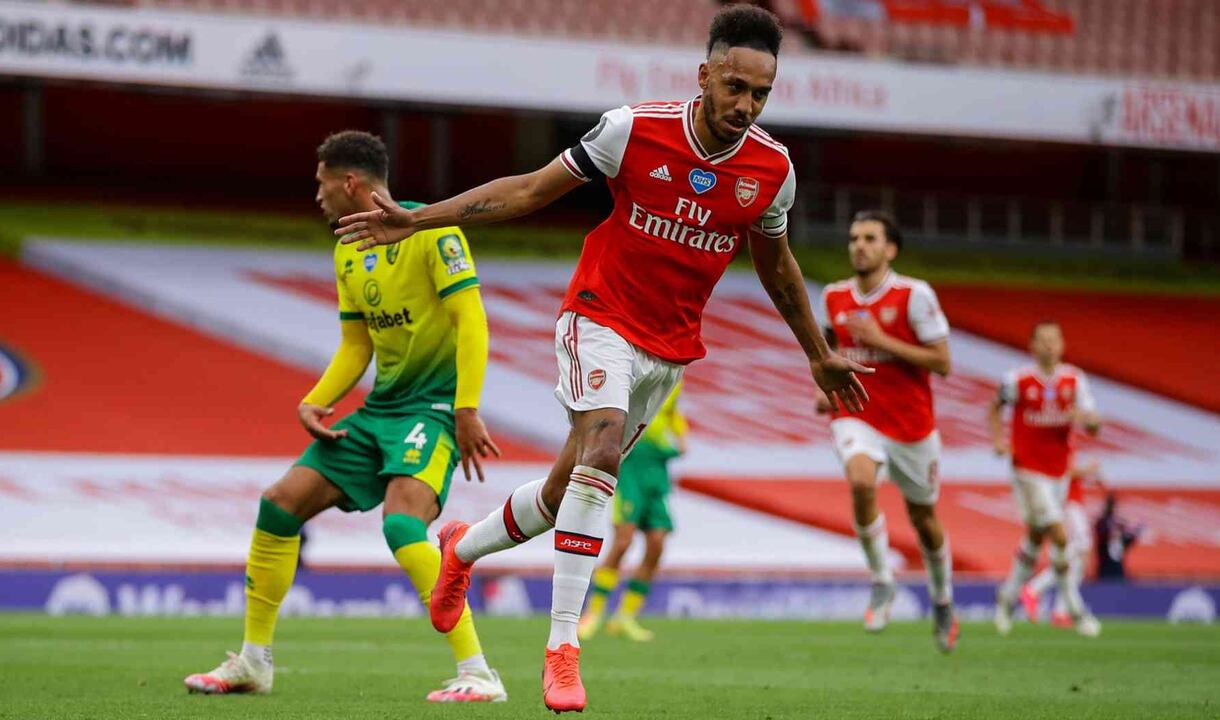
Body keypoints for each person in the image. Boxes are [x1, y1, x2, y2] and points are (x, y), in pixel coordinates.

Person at [332, 6, 870, 712]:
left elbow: (776, 266)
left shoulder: (772, 170)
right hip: (598, 315)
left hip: (668, 350)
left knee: (566, 494)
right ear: (704, 75)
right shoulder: (633, 130)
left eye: (760, 94)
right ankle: (562, 649)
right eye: (735, 86)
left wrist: (819, 354)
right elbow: (529, 189)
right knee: (604, 450)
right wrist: (418, 218)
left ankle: (460, 548)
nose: (745, 105)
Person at [184, 131, 507, 702]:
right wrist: (316, 398)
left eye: (321, 182)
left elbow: (471, 319)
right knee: (280, 503)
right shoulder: (347, 250)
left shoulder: (432, 230)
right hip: (379, 410)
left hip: (432, 408)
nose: (318, 195)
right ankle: (254, 662)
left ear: (349, 182)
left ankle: (479, 673)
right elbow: (357, 345)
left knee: (402, 524)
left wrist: (466, 408)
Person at [817, 210, 958, 654]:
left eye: (870, 238)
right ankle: (882, 580)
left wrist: (882, 340)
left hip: (912, 426)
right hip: (857, 413)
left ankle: (942, 599)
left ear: (890, 249)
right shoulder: (833, 296)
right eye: (854, 238)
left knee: (924, 520)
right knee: (861, 481)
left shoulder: (914, 295)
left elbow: (943, 362)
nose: (859, 246)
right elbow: (830, 350)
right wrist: (825, 387)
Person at [989, 320, 1102, 638]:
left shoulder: (1074, 380)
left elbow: (1094, 424)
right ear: (1032, 345)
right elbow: (994, 408)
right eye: (1043, 340)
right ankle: (1075, 610)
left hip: (1059, 474)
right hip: (1027, 470)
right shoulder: (1017, 380)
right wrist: (998, 440)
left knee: (1036, 538)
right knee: (1060, 535)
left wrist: (1088, 420)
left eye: (1054, 340)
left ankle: (1006, 599)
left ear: (1062, 345)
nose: (1049, 346)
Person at [580, 382, 688, 642]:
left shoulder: (675, 377)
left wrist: (681, 436)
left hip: (656, 466)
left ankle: (625, 617)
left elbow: (671, 411)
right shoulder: (635, 371)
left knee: (657, 543)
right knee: (623, 541)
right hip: (631, 462)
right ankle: (593, 613)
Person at [1021, 458, 1104, 627]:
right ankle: (1034, 588)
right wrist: (1088, 469)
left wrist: (1092, 476)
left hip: (1070, 504)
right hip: (1068, 504)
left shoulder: (1068, 450)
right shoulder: (1062, 449)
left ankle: (1060, 612)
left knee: (1076, 566)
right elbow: (1064, 471)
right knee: (1082, 546)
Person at [1095, 492, 1142, 580]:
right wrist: (1113, 531)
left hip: (1118, 573)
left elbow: (1129, 540)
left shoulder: (1120, 532)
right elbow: (1102, 531)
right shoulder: (1103, 524)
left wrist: (1136, 531)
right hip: (1104, 573)